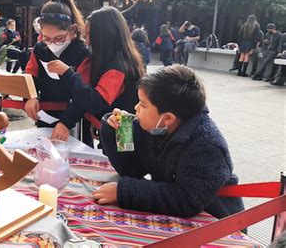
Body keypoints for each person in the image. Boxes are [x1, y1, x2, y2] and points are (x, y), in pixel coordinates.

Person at [94, 65, 244, 219]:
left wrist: (123, 192)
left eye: (143, 104)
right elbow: (132, 170)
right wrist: (116, 131)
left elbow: (184, 199)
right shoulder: (155, 127)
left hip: (219, 221)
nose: (136, 108)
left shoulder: (206, 146)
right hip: (181, 217)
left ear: (167, 118)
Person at [47, 7, 145, 144]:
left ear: (104, 36)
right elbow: (90, 98)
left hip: (124, 130)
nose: (87, 42)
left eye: (89, 35)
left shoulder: (118, 68)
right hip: (115, 125)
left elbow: (95, 102)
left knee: (121, 164)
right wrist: (98, 120)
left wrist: (68, 73)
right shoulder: (105, 60)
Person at [24, 0, 91, 142]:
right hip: (45, 118)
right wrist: (30, 97)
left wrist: (66, 123)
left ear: (72, 30)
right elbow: (29, 76)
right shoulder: (40, 49)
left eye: (59, 38)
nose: (52, 43)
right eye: (46, 38)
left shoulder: (82, 52)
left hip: (76, 121)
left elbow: (84, 94)